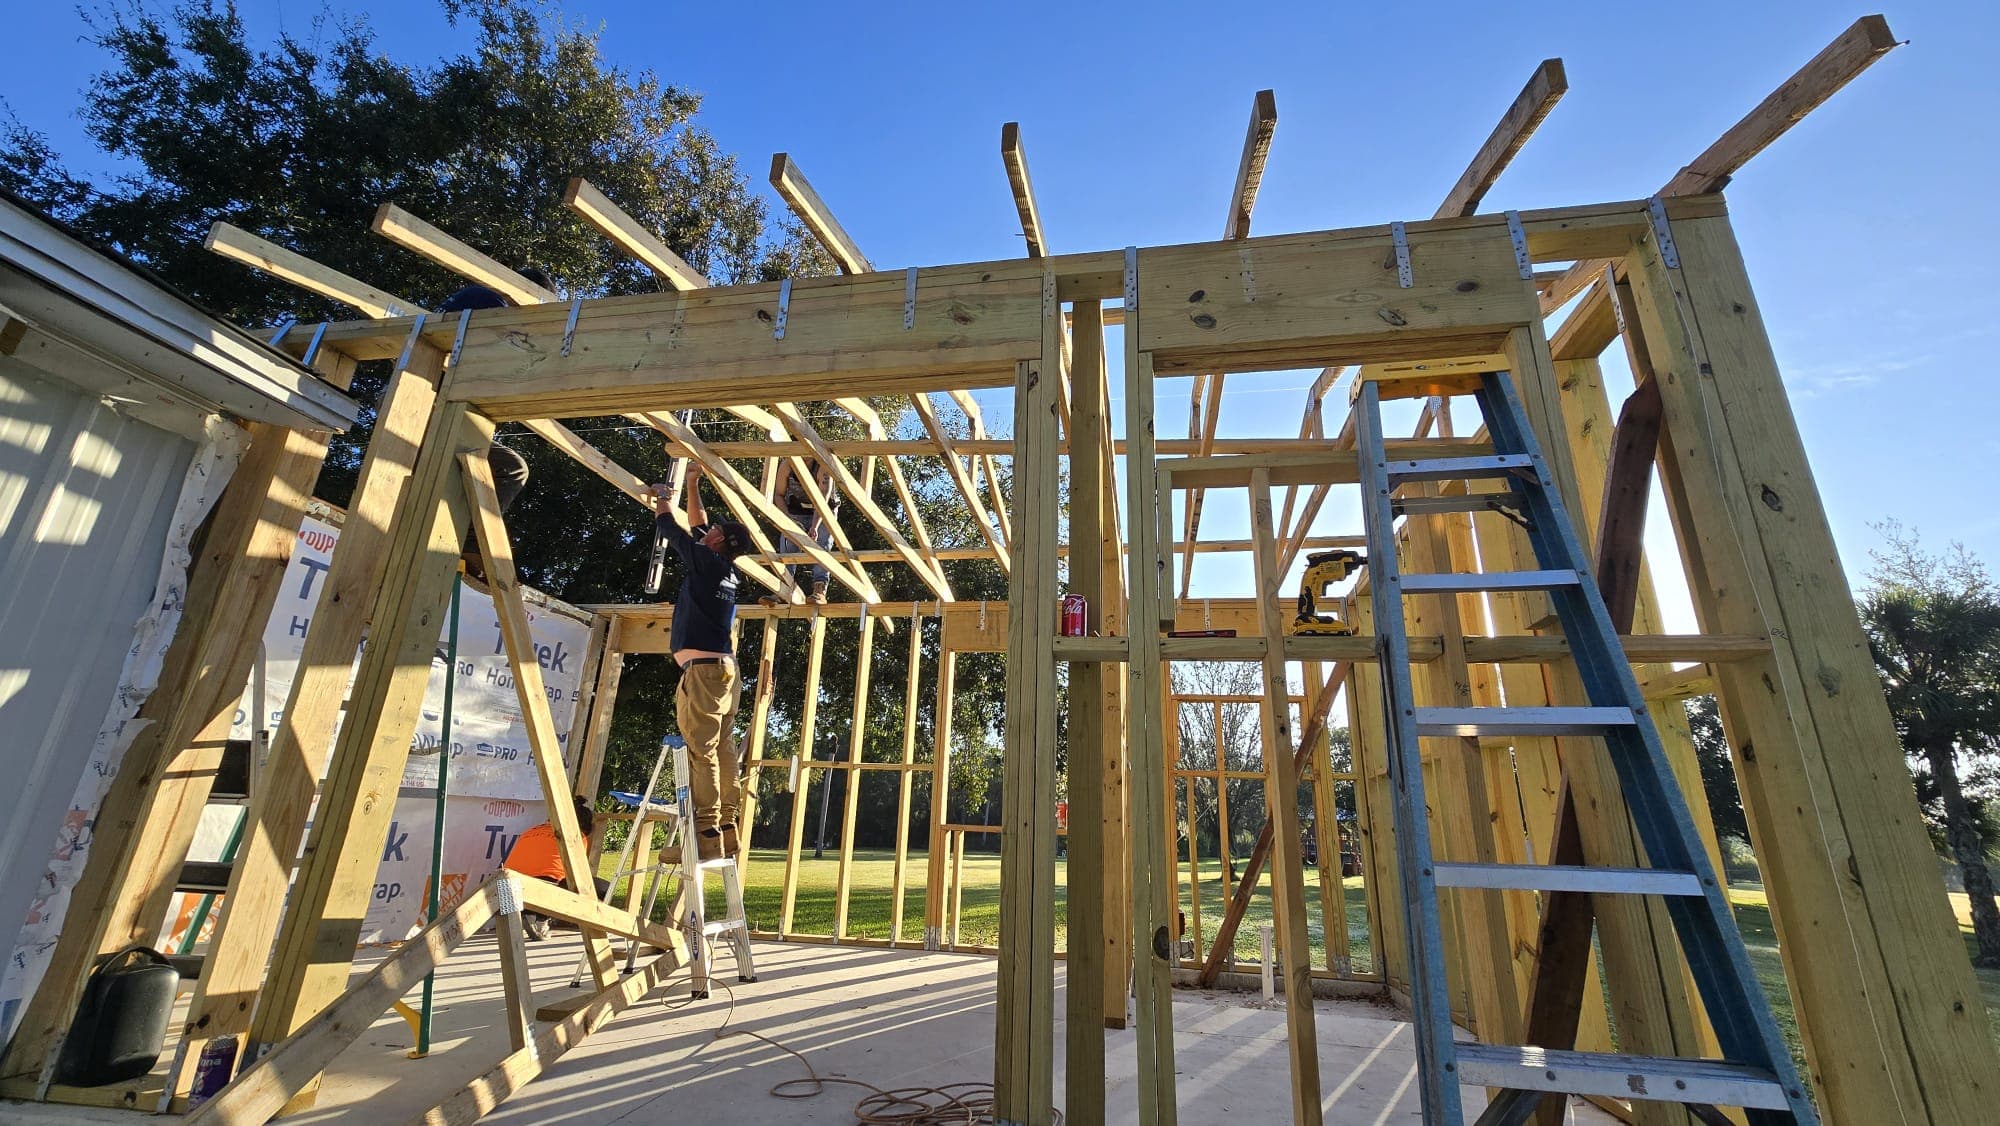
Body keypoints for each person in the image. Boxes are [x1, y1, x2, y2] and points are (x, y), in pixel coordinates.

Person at [650, 465, 756, 861]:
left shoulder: (707, 563)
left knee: (702, 751)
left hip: (708, 673)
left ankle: (705, 837)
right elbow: (697, 526)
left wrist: (663, 497)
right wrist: (692, 484)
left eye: (714, 530)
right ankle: (727, 830)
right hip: (723, 671)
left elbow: (672, 530)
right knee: (722, 748)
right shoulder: (722, 567)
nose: (707, 529)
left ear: (720, 541)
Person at [504, 794, 611, 941]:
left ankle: (527, 915)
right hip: (543, 889)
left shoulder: (529, 832)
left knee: (547, 877)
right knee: (605, 888)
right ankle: (541, 919)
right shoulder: (577, 837)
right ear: (583, 826)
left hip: (507, 889)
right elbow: (578, 874)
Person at [765, 457, 836, 605]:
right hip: (796, 511)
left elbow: (822, 500)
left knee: (821, 545)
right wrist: (788, 520)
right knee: (788, 546)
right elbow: (778, 494)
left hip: (823, 512)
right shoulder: (787, 465)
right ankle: (782, 588)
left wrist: (815, 526)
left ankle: (819, 589)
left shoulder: (822, 465)